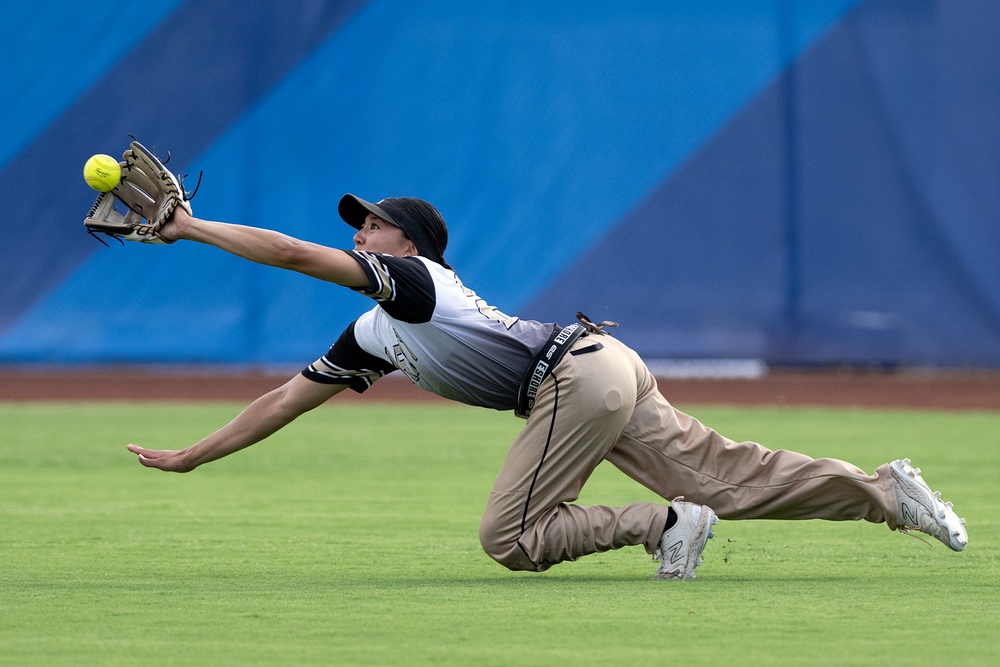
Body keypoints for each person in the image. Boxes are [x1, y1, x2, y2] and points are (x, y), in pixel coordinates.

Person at [126, 195, 968, 579]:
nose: (359, 231)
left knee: (511, 537)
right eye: (360, 224)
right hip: (600, 366)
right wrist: (194, 456)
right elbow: (285, 400)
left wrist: (193, 228)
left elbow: (293, 255)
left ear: (409, 243)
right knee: (728, 479)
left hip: (572, 375)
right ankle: (888, 494)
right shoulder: (376, 333)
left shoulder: (415, 282)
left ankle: (664, 523)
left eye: (373, 223)